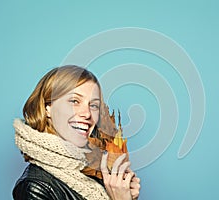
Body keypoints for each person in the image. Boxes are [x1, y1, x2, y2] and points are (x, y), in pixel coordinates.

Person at [12, 65, 141, 200]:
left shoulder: (94, 171)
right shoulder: (34, 188)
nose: (87, 114)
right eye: (74, 101)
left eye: (93, 105)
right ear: (47, 108)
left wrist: (126, 194)